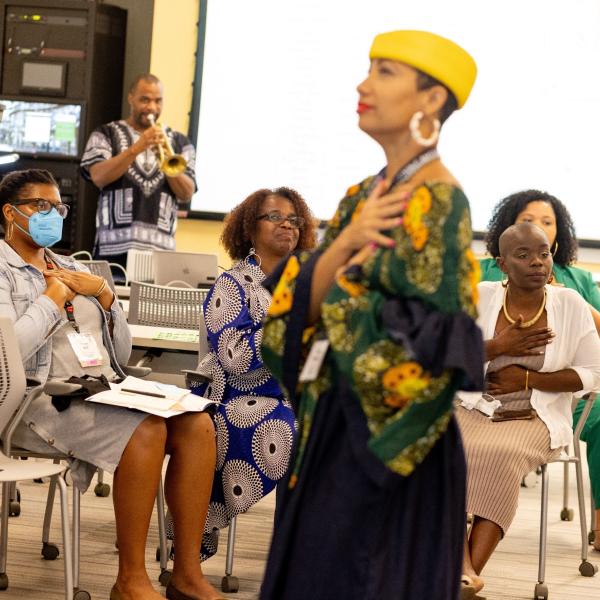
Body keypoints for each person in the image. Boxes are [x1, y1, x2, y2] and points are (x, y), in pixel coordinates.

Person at [258, 31, 484, 600]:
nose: (363, 84)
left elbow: (435, 342)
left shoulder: (439, 199)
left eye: (384, 72)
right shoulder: (363, 195)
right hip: (330, 427)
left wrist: (334, 298)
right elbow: (288, 320)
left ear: (431, 101)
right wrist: (342, 248)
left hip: (387, 444)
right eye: (368, 70)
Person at [0, 169, 225, 600]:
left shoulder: (70, 266)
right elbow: (10, 351)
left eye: (58, 207)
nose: (53, 215)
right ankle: (130, 581)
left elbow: (119, 355)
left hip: (99, 388)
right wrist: (51, 300)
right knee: (146, 430)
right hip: (34, 400)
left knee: (197, 423)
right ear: (11, 213)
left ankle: (187, 574)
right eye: (39, 206)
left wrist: (104, 295)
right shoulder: (3, 269)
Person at [457, 222, 600, 596]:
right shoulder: (480, 297)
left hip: (536, 414)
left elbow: (594, 373)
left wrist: (527, 379)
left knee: (499, 454)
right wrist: (499, 345)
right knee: (441, 448)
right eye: (524, 255)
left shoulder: (569, 304)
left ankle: (463, 571)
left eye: (544, 253)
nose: (537, 262)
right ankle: (462, 571)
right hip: (473, 403)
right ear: (502, 264)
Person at [175, 187, 316, 559]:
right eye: (274, 217)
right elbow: (235, 358)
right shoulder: (234, 283)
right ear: (249, 230)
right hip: (236, 397)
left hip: (296, 394)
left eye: (294, 219)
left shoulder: (307, 283)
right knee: (291, 426)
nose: (287, 224)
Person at [480, 189, 600, 550]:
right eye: (527, 222)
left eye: (546, 226)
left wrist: (566, 300)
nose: (535, 257)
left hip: (559, 398)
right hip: (485, 397)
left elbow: (595, 353)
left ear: (556, 240)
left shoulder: (575, 283)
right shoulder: (483, 278)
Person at [80, 73, 196, 266]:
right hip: (112, 252)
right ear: (130, 98)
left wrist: (167, 162)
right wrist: (136, 148)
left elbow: (186, 193)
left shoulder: (179, 142)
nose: (152, 107)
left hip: (161, 255)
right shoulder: (105, 134)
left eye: (158, 101)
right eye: (145, 100)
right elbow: (98, 176)